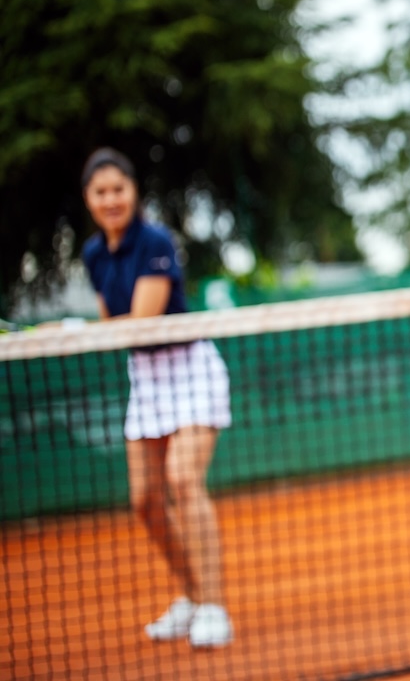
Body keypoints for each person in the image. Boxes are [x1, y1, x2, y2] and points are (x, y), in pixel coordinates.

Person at [80, 148, 234, 648]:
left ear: (134, 192)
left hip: (189, 368)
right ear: (89, 199)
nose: (111, 200)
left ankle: (214, 607)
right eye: (101, 192)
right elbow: (111, 326)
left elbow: (143, 322)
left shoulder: (154, 241)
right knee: (146, 500)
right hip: (144, 377)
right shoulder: (93, 255)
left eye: (118, 189)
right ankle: (190, 598)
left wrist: (78, 331)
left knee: (183, 480)